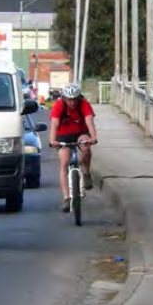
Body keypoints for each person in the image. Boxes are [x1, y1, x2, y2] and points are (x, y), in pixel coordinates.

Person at [49, 82, 98, 213]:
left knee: (86, 148)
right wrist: (52, 140)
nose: (72, 103)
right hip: (63, 135)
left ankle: (86, 172)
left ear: (79, 97)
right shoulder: (59, 105)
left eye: (75, 99)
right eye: (69, 100)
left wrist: (93, 137)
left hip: (80, 132)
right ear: (64, 98)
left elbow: (89, 121)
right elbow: (54, 123)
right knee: (64, 162)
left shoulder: (84, 104)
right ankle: (66, 198)